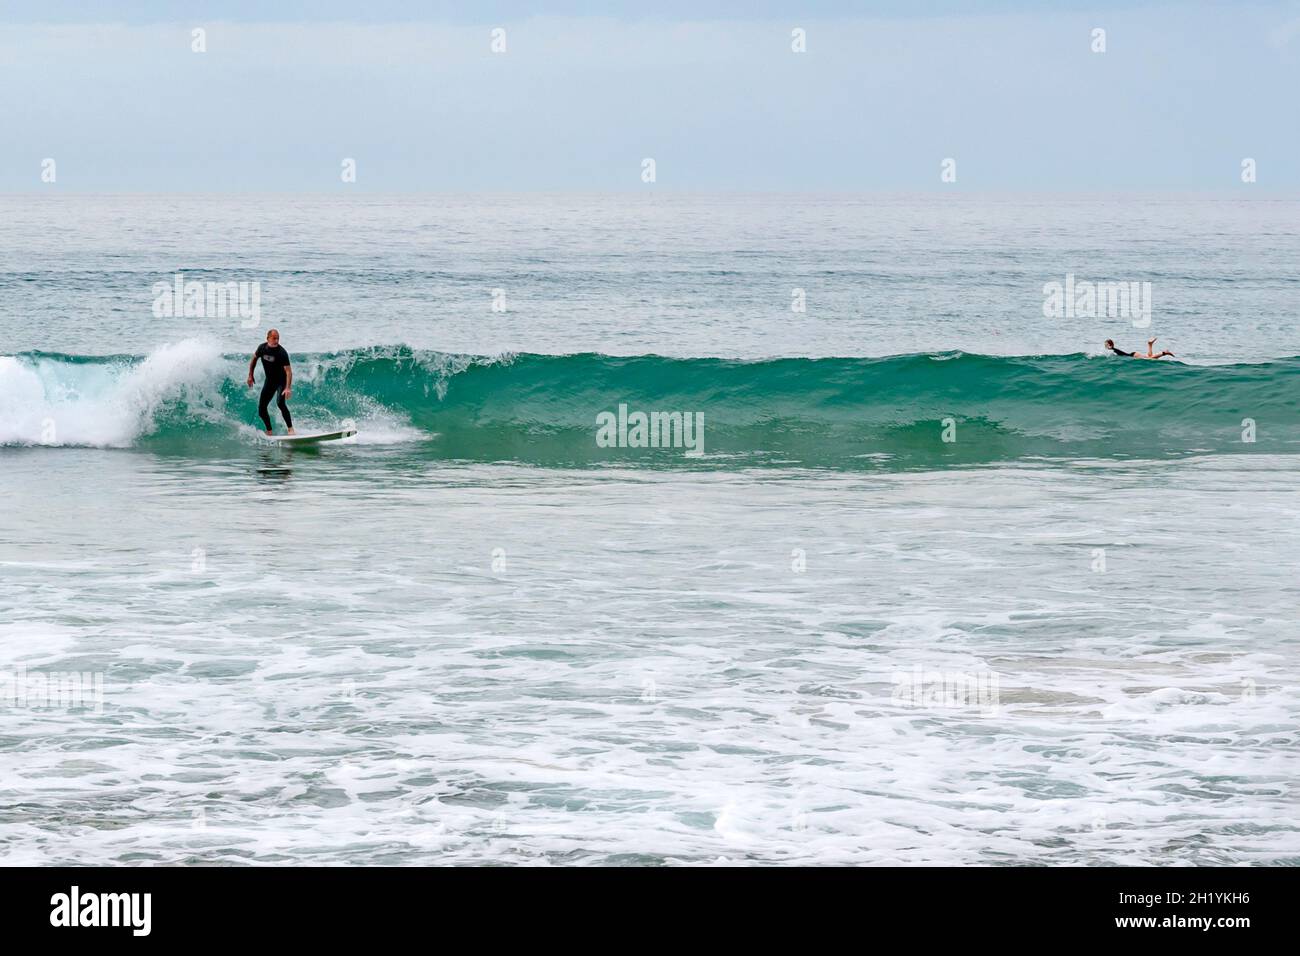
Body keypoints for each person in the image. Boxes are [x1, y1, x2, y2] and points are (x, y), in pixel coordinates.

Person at [247, 329, 295, 435]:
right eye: (274, 338)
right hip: (270, 381)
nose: (276, 340)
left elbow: (288, 371)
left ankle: (290, 429)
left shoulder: (282, 352)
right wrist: (250, 375)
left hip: (281, 381)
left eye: (278, 338)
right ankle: (269, 431)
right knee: (261, 409)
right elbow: (254, 359)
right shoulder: (262, 348)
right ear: (268, 338)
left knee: (280, 403)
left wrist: (287, 387)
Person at [1105, 338, 1174, 360]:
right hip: (1133, 354)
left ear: (1110, 345)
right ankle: (1150, 344)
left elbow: (1116, 350)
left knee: (1150, 359)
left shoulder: (1113, 349)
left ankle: (1164, 352)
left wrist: (1111, 348)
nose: (1105, 346)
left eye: (1106, 344)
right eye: (1105, 345)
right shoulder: (1113, 350)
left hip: (1133, 355)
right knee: (1150, 357)